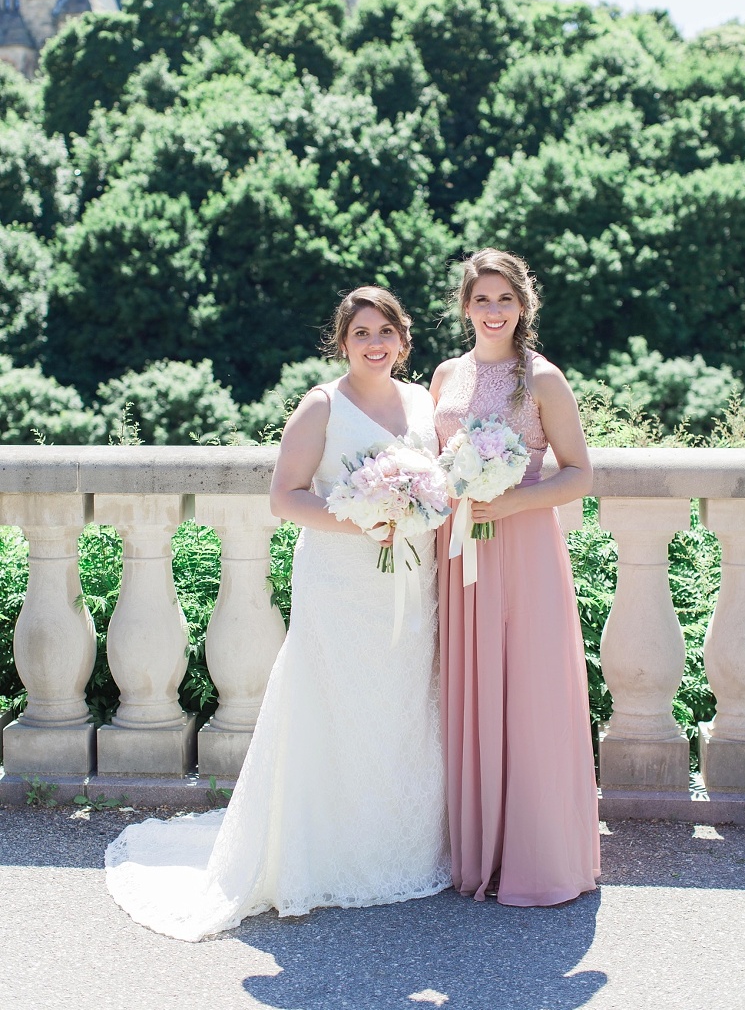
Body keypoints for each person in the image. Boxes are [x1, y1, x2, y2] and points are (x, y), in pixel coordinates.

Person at [105, 286, 450, 940]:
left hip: (411, 581)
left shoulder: (420, 403)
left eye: (385, 332)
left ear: (402, 341)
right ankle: (325, 850)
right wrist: (364, 519)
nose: (374, 344)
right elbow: (285, 498)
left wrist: (415, 511)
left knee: (402, 706)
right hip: (341, 581)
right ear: (342, 343)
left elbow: (436, 485)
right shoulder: (321, 406)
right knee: (336, 705)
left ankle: (397, 848)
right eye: (360, 334)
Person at [430, 248, 600, 907]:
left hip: (523, 545)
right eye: (482, 299)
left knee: (528, 692)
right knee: (470, 689)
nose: (493, 310)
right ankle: (479, 851)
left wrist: (512, 500)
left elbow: (578, 472)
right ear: (465, 307)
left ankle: (539, 858)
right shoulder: (447, 374)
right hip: (461, 548)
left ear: (524, 305)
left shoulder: (543, 380)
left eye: (505, 298)